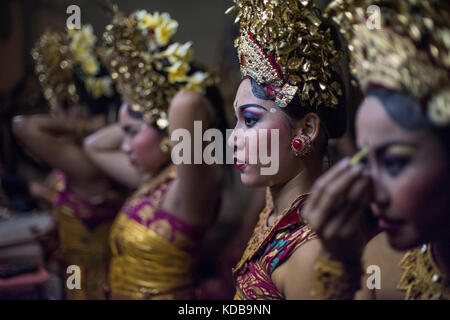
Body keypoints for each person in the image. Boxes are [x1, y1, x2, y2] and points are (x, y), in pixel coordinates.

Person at [302, 0, 450, 300]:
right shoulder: (377, 266)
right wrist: (337, 269)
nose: (372, 192)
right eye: (365, 162)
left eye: (394, 163)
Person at [97, 6, 229, 299]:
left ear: (169, 127)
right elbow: (92, 146)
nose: (124, 145)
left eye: (132, 132)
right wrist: (134, 104)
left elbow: (188, 103)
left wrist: (158, 69)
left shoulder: (190, 187)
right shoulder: (151, 180)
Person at [227, 0, 347, 299]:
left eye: (251, 120)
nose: (232, 139)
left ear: (305, 130)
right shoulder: (274, 204)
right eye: (236, 119)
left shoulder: (311, 253)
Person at [12, 26, 123, 299]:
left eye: (61, 105)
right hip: (72, 271)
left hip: (92, 282)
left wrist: (82, 125)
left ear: (81, 110)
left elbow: (23, 126)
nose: (54, 114)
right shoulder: (75, 156)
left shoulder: (86, 162)